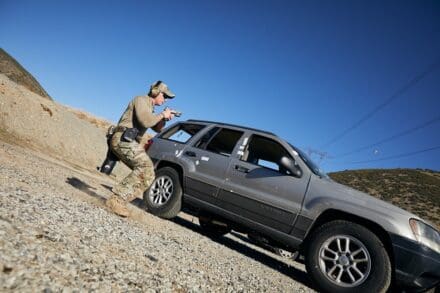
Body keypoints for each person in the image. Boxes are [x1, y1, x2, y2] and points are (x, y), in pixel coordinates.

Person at [106, 80, 176, 217]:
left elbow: (157, 128)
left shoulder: (150, 108)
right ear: (156, 92)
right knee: (145, 166)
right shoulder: (141, 100)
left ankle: (119, 200)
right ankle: (116, 200)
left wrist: (164, 119)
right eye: (164, 96)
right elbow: (146, 121)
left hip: (129, 141)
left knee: (148, 173)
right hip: (122, 138)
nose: (165, 99)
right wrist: (162, 115)